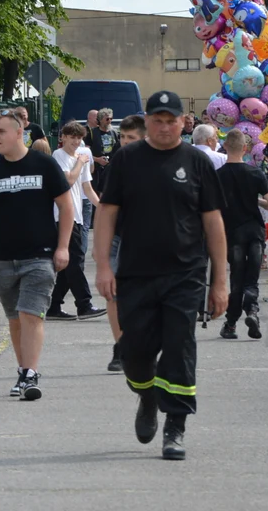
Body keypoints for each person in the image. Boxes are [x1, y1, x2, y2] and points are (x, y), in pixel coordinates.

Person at [94, 90, 228, 461]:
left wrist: (220, 281)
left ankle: (176, 427)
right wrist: (103, 266)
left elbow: (213, 222)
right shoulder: (127, 160)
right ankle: (147, 395)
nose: (166, 127)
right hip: (135, 273)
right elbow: (106, 214)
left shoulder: (196, 162)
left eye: (172, 120)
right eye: (158, 120)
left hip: (185, 273)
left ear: (184, 123)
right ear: (147, 120)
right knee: (134, 352)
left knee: (180, 346)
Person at [0, 109, 73, 401]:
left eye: (1, 132)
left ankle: (31, 373)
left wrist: (63, 247)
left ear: (18, 133)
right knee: (15, 318)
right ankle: (24, 369)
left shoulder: (44, 165)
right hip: (2, 257)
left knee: (31, 314)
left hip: (40, 255)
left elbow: (66, 206)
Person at [216, 129, 268, 341]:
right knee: (251, 277)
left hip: (231, 232)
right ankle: (252, 311)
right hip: (254, 230)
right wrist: (256, 200)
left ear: (225, 147)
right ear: (245, 149)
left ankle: (231, 324)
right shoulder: (255, 174)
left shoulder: (217, 176)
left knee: (237, 276)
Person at [46, 122, 106, 321]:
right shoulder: (58, 156)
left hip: (78, 215)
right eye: (72, 137)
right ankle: (84, 304)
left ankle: (53, 306)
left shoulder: (81, 156)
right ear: (63, 137)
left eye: (79, 138)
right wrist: (80, 161)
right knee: (76, 262)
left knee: (69, 265)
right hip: (63, 216)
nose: (76, 141)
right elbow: (68, 180)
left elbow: (87, 188)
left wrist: (102, 208)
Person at [102, 113, 145, 373]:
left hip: (147, 238)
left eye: (131, 138)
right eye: (123, 137)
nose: (126, 142)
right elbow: (107, 205)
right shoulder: (118, 161)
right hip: (119, 236)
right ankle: (120, 345)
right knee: (114, 294)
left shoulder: (156, 161)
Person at [89, 108, 120, 194]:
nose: (109, 121)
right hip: (96, 170)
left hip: (110, 169)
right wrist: (98, 159)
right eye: (107, 119)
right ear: (100, 119)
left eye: (111, 118)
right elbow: (85, 153)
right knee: (96, 193)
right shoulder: (92, 133)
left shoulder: (114, 132)